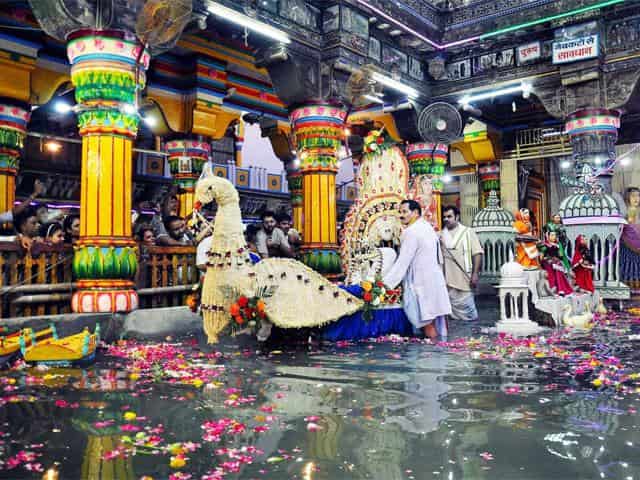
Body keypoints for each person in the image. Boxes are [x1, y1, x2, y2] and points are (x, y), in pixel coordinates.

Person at [383, 200, 451, 340]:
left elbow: (403, 262)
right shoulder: (427, 228)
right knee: (436, 320)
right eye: (400, 212)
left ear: (415, 213)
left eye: (405, 212)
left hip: (421, 282)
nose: (401, 215)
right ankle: (440, 351)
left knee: (427, 322)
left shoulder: (412, 232)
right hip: (434, 279)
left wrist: (384, 285)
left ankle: (434, 352)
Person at [440, 205, 483, 322]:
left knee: (469, 314)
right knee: (451, 315)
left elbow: (477, 253)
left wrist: (475, 274)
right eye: (444, 217)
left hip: (465, 277)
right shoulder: (440, 235)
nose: (446, 219)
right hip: (447, 278)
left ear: (457, 217)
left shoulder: (468, 232)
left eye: (449, 216)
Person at [539, 230, 573, 296]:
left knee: (559, 265)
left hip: (555, 261)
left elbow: (560, 256)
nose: (554, 237)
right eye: (552, 235)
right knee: (555, 266)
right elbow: (541, 258)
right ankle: (556, 288)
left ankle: (561, 288)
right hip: (547, 262)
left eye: (555, 235)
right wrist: (549, 259)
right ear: (547, 236)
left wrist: (559, 254)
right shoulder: (544, 245)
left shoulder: (557, 245)